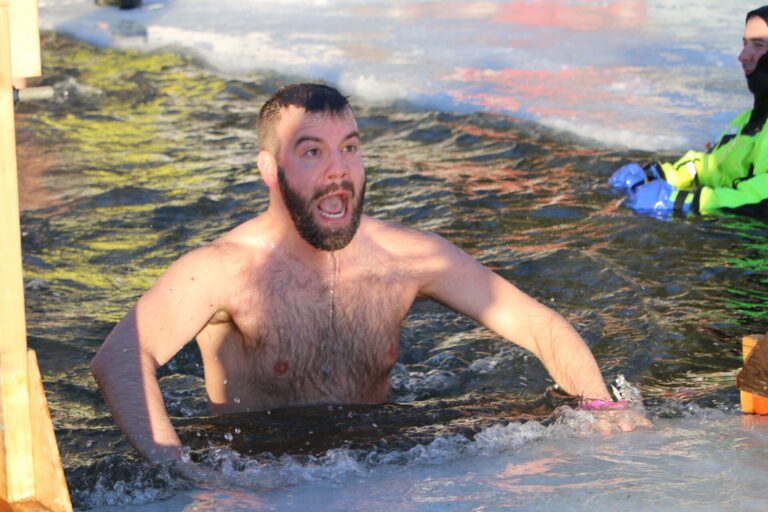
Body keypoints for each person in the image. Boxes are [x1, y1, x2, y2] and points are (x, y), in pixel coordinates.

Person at [91, 83, 651, 464]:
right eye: (312, 151)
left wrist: (602, 408)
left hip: (380, 453)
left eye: (350, 148)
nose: (339, 170)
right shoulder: (222, 270)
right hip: (260, 466)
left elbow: (537, 325)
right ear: (270, 168)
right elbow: (119, 358)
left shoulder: (407, 257)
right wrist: (182, 470)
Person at [610, 6, 768, 217]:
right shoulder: (747, 120)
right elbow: (709, 166)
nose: (742, 56)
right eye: (744, 44)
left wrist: (686, 202)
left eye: (758, 45)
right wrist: (660, 175)